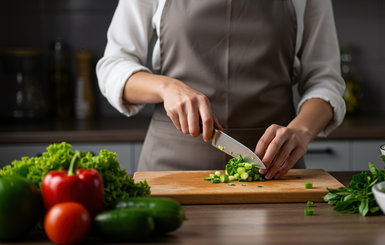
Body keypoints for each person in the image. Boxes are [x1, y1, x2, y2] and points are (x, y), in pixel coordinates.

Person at [96, 0, 346, 180]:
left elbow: (325, 80)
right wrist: (167, 87)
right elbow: (113, 66)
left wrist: (301, 130)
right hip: (170, 172)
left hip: (274, 169)